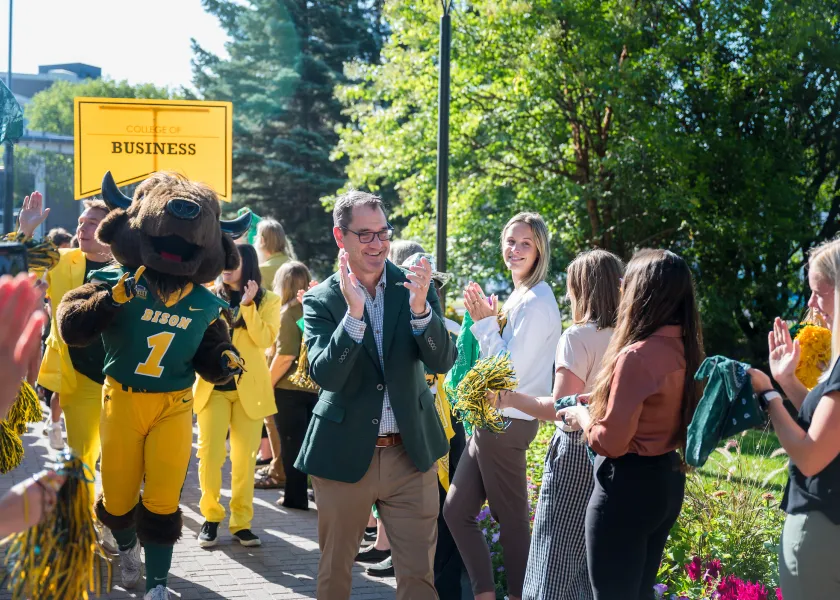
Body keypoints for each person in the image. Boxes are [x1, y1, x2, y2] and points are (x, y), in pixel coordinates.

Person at [297, 190, 457, 599]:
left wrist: (422, 311)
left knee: (419, 576)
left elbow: (442, 361)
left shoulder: (416, 286)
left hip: (411, 453)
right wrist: (353, 316)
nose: (377, 244)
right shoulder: (321, 299)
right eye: (365, 235)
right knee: (335, 573)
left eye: (383, 233)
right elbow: (325, 375)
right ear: (340, 237)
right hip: (345, 453)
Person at [556, 249, 703, 600]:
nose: (621, 287)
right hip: (666, 482)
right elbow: (659, 406)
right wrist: (606, 401)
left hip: (626, 489)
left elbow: (609, 442)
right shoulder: (686, 348)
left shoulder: (636, 355)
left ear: (643, 291)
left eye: (628, 281)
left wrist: (581, 415)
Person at [444, 212, 562, 600]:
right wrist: (488, 321)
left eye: (525, 243)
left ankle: (518, 595)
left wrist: (484, 325)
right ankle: (484, 594)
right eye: (510, 241)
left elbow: (505, 373)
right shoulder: (520, 296)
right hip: (489, 420)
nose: (515, 249)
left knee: (512, 524)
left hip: (508, 424)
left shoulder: (537, 301)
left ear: (540, 249)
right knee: (456, 511)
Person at [495, 249, 623, 600]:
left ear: (581, 289)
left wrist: (509, 399)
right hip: (615, 452)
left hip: (575, 451)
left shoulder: (578, 337)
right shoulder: (628, 337)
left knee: (552, 560)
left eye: (571, 287)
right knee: (585, 565)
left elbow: (563, 407)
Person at [748, 237, 840, 600]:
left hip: (821, 531)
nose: (813, 304)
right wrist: (786, 381)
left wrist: (768, 394)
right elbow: (829, 426)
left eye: (820, 292)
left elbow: (812, 454)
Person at [17, 191, 112, 499]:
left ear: (111, 230)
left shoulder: (133, 268)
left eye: (92, 223)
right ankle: (84, 526)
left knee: (117, 461)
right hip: (79, 376)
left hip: (124, 381)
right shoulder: (63, 259)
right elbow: (18, 268)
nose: (81, 229)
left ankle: (114, 522)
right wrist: (25, 232)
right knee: (82, 456)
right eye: (81, 222)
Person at [194, 244, 281, 548]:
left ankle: (241, 523)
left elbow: (266, 340)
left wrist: (247, 306)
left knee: (244, 461)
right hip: (212, 388)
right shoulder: (206, 296)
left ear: (249, 264)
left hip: (250, 391)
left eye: (235, 260)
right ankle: (211, 516)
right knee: (210, 456)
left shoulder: (269, 300)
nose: (228, 265)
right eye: (224, 259)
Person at [269, 260, 318, 509]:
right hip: (316, 389)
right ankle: (315, 494)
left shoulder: (288, 313)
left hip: (289, 390)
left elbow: (285, 356)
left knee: (292, 445)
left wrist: (267, 384)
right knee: (314, 447)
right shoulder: (316, 308)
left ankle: (295, 498)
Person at [254, 217, 291, 484]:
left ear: (263, 240)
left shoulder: (262, 270)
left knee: (270, 412)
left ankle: (278, 469)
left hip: (271, 345)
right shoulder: (292, 265)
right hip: (297, 344)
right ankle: (277, 465)